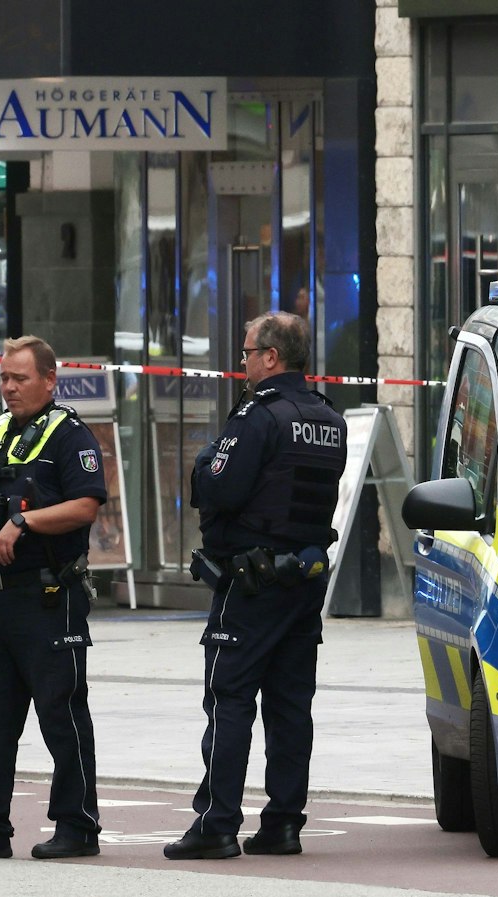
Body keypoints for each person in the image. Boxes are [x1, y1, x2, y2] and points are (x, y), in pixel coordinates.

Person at [165, 311, 347, 861]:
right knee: (291, 707)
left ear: (271, 358)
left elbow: (217, 487)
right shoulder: (328, 418)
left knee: (229, 700)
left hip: (251, 584)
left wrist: (203, 460)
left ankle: (216, 823)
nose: (241, 362)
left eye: (246, 352)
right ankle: (283, 824)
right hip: (303, 583)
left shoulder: (257, 416)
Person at [0, 335, 109, 862]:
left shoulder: (69, 434)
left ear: (49, 380)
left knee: (61, 715)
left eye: (20, 378)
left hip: (47, 595)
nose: (9, 388)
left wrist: (22, 521)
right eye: (4, 379)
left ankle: (77, 827)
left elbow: (85, 506)